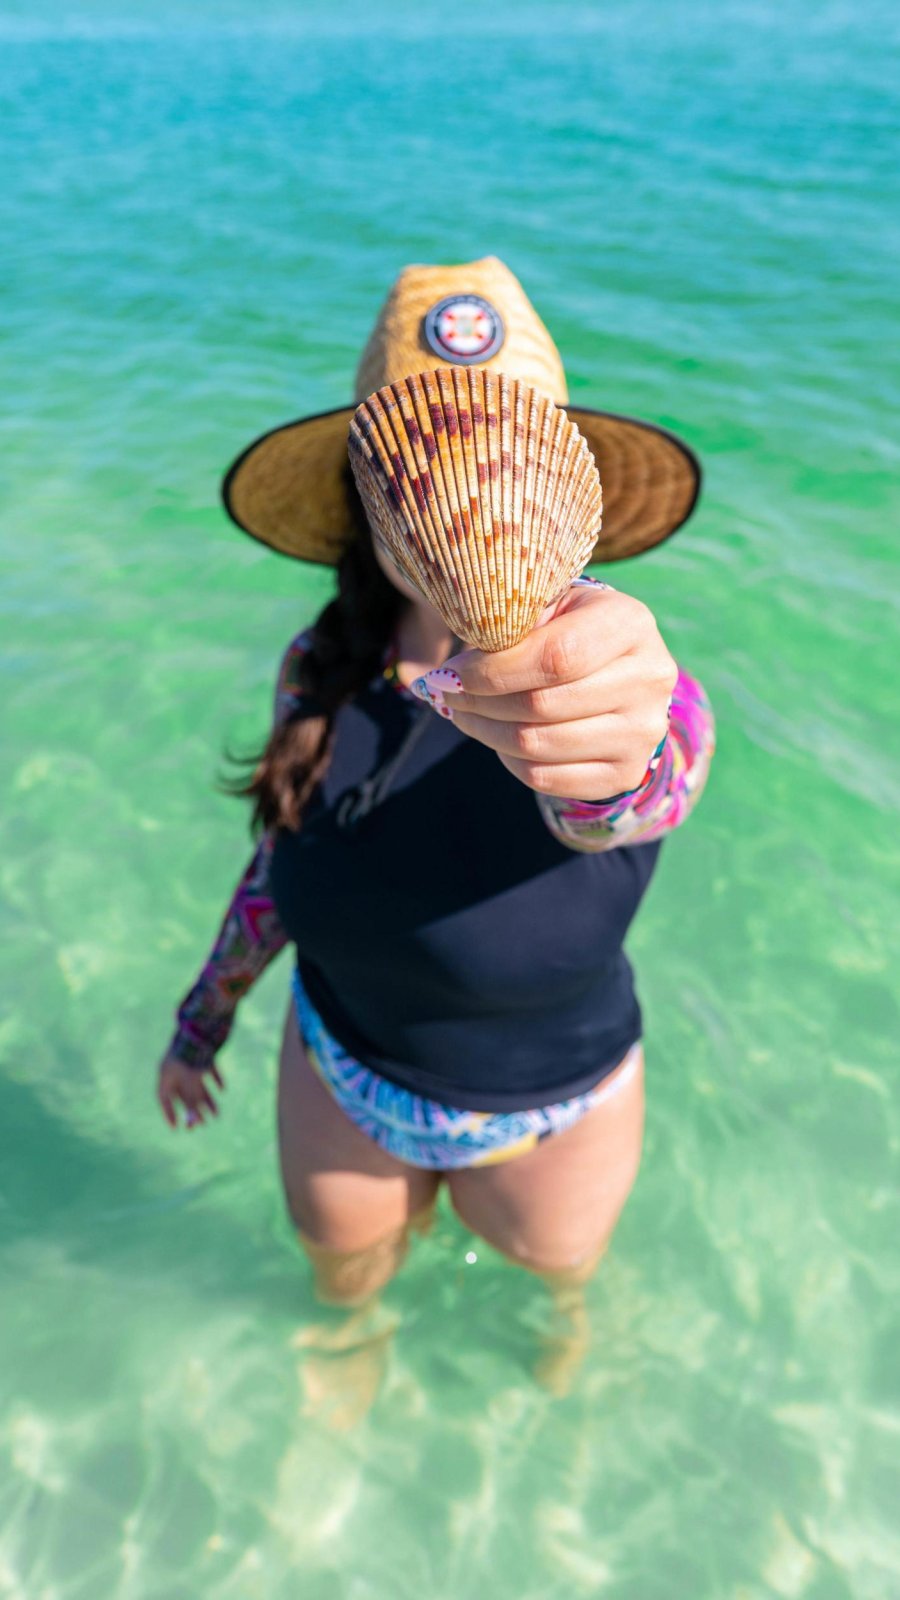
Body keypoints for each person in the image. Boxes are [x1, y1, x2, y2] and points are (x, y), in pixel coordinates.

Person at [155, 257, 715, 1389]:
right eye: (433, 449)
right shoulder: (321, 662)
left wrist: (610, 769)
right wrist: (203, 1016)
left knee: (559, 1333)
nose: (465, 480)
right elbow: (277, 868)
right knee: (341, 1312)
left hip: (555, 1104)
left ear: (553, 472)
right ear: (375, 489)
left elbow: (646, 787)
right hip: (341, 1070)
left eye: (495, 442)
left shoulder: (624, 684)